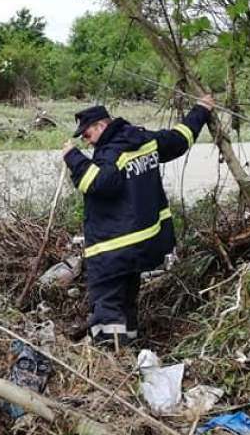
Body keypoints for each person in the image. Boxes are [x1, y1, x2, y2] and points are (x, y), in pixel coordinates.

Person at [62, 94, 216, 348]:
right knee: (127, 297)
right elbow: (180, 139)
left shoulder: (112, 152)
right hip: (144, 242)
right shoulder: (144, 139)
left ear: (101, 126)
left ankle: (108, 356)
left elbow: (98, 183)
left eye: (87, 135)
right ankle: (128, 347)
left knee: (107, 301)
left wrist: (73, 157)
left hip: (113, 246)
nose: (88, 143)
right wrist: (200, 109)